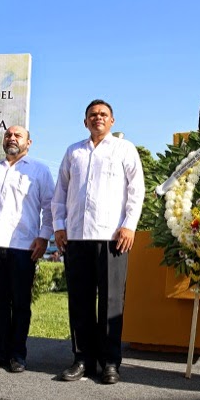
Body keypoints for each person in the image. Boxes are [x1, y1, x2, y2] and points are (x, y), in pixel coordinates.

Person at [52, 99, 145, 384]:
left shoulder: (124, 149)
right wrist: (59, 226)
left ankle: (110, 362)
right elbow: (60, 192)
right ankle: (82, 359)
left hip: (112, 237)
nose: (98, 118)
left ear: (112, 121)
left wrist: (129, 226)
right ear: (85, 121)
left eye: (103, 114)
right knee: (79, 301)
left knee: (111, 301)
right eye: (92, 115)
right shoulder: (73, 152)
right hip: (77, 237)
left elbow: (136, 189)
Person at [0, 125, 54, 373]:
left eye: (18, 135)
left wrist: (43, 237)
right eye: (8, 134)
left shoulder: (39, 171)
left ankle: (18, 355)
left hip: (24, 248)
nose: (12, 138)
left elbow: (49, 208)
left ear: (29, 142)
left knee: (20, 303)